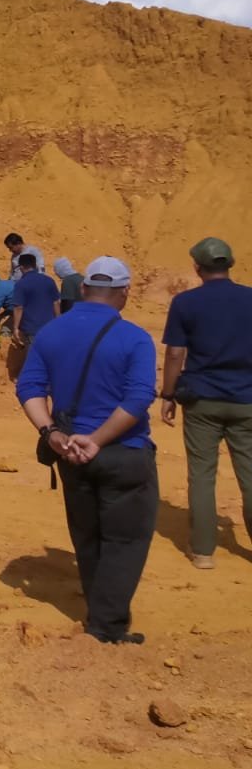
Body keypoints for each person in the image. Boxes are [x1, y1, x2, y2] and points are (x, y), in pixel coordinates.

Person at [16, 256, 157, 645]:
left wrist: (52, 434)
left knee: (88, 536)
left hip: (70, 454)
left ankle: (99, 614)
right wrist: (98, 439)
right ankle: (107, 628)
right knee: (125, 540)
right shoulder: (134, 338)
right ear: (124, 292)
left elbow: (28, 388)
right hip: (123, 451)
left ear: (82, 290)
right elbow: (139, 396)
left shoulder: (49, 334)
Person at [160, 237, 252, 570]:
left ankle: (202, 552)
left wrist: (167, 395)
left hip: (201, 400)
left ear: (197, 267)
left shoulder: (186, 303)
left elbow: (174, 353)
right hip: (246, 400)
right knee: (250, 474)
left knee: (201, 475)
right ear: (230, 264)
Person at [7, 254, 60, 380]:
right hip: (51, 326)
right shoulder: (49, 280)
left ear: (21, 267)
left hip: (32, 328)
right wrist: (59, 321)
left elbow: (18, 307)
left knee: (34, 356)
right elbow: (56, 302)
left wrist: (15, 328)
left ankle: (30, 381)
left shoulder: (22, 284)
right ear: (35, 265)